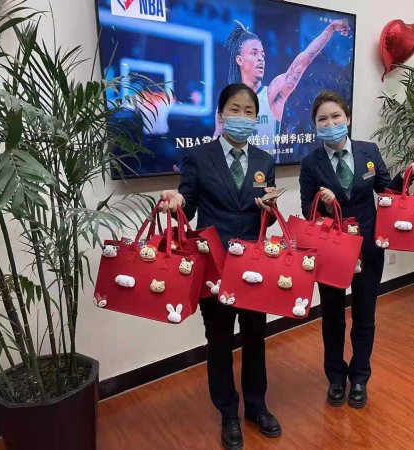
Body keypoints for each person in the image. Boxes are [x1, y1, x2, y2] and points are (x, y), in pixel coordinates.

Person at [160, 83, 280, 450]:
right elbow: (189, 205)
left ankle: (256, 407)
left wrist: (270, 207)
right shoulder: (200, 157)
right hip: (215, 266)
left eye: (249, 111)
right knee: (219, 340)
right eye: (235, 109)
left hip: (254, 266)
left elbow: (268, 214)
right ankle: (228, 412)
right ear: (221, 115)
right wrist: (177, 202)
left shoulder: (264, 161)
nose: (242, 117)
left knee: (256, 337)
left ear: (256, 118)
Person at [299, 90, 414, 409]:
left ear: (348, 118)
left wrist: (408, 173)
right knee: (332, 317)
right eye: (322, 119)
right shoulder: (311, 163)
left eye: (335, 117)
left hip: (368, 246)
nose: (330, 124)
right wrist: (323, 204)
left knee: (365, 314)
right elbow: (306, 211)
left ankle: (359, 377)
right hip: (332, 250)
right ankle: (335, 378)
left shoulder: (368, 151)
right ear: (315, 125)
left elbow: (387, 191)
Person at [215, 19, 350, 150]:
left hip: (266, 166)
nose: (260, 58)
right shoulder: (227, 103)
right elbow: (216, 142)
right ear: (240, 60)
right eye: (254, 53)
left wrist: (330, 29)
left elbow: (305, 58)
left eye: (263, 55)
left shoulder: (272, 93)